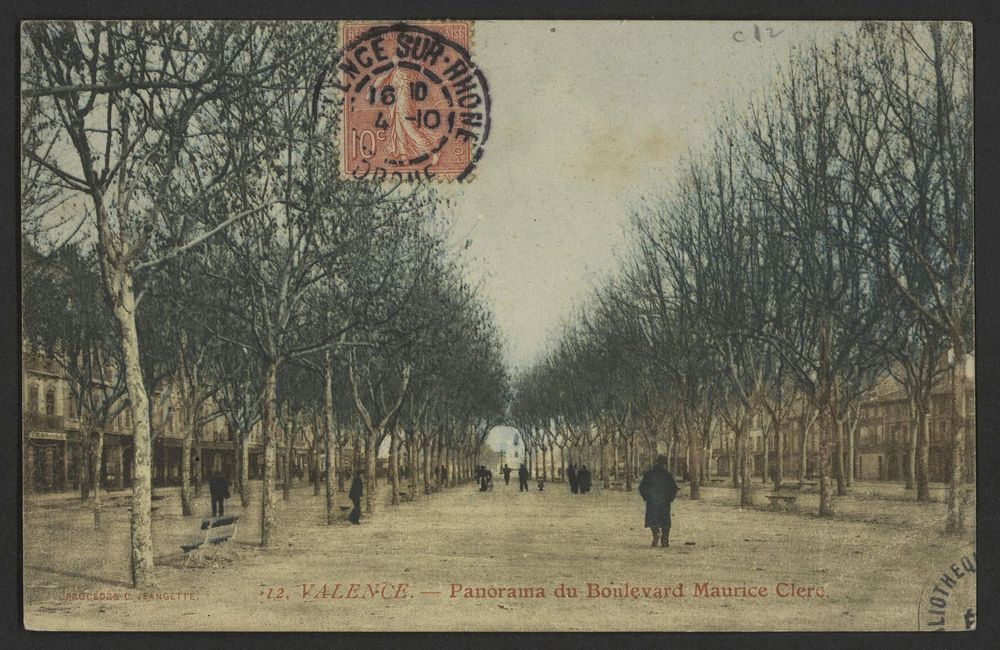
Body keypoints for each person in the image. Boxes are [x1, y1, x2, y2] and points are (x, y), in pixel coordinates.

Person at [639, 455, 679, 547]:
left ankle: (656, 533)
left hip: (652, 501)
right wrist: (670, 498)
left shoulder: (649, 474)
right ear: (664, 464)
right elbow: (674, 488)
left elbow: (642, 487)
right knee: (665, 522)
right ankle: (665, 541)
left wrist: (646, 497)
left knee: (652, 520)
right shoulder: (667, 475)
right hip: (664, 502)